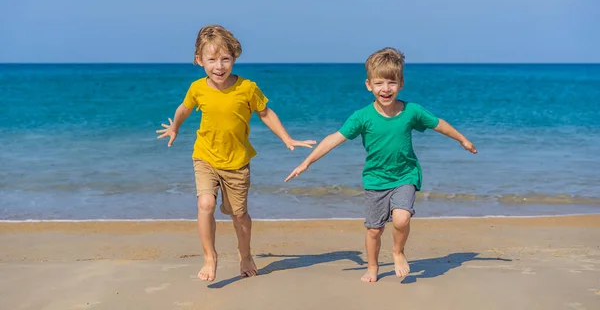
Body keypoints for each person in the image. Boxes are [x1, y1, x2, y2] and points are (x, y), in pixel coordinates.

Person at [285, 47, 477, 283]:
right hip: (375, 180)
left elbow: (439, 124)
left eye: (391, 82)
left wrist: (462, 139)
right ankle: (373, 266)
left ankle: (398, 252)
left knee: (401, 218)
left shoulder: (412, 111)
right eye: (379, 83)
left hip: (406, 175)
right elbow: (334, 139)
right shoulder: (362, 117)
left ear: (401, 84)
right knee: (374, 230)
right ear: (369, 85)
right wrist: (307, 162)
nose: (385, 89)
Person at [157, 24, 316, 282]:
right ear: (199, 60)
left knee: (238, 214)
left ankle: (245, 253)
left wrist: (287, 138)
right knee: (205, 204)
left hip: (237, 163)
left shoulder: (247, 88)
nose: (219, 66)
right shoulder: (197, 88)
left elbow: (265, 113)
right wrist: (174, 128)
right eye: (212, 60)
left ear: (234, 58)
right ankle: (210, 257)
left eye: (225, 59)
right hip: (205, 156)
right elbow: (184, 109)